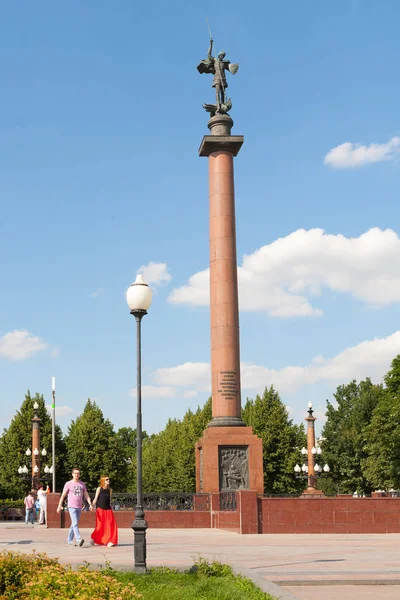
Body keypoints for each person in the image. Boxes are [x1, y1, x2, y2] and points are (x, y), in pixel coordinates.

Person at [57, 468, 93, 547]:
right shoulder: (68, 484)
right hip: (71, 506)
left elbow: (86, 494)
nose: (77, 475)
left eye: (78, 473)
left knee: (74, 524)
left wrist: (90, 504)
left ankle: (69, 540)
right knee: (75, 523)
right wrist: (59, 505)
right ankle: (79, 539)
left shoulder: (82, 484)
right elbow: (63, 495)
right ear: (72, 474)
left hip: (79, 506)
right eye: (75, 473)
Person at [90, 476, 118, 547]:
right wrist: (91, 505)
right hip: (100, 510)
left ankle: (111, 541)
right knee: (100, 526)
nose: (108, 481)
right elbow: (95, 499)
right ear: (103, 481)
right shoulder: (99, 489)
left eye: (108, 479)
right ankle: (94, 538)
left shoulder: (109, 490)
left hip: (108, 510)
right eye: (106, 480)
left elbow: (109, 501)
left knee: (111, 525)